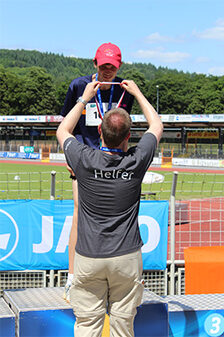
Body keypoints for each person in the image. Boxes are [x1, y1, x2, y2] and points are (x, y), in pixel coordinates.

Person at [57, 79, 163, 336]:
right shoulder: (136, 160)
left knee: (87, 325)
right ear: (129, 136)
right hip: (126, 258)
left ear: (100, 133)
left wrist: (83, 98)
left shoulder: (84, 158)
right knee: (122, 326)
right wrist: (137, 92)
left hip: (89, 255)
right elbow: (157, 125)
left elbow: (63, 130)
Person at [60, 43, 134, 301]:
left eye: (111, 67)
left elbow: (121, 127)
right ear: (94, 63)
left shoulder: (126, 90)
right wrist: (69, 154)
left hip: (112, 160)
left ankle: (114, 278)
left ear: (118, 67)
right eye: (103, 66)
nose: (106, 71)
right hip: (84, 158)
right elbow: (66, 122)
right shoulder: (78, 86)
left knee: (116, 215)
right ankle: (72, 278)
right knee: (80, 211)